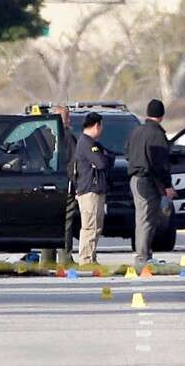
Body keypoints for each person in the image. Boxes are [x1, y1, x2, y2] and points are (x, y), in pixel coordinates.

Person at [126, 99, 177, 267]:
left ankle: (146, 254)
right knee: (146, 219)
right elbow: (160, 164)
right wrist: (167, 186)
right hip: (146, 181)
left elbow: (127, 152)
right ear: (162, 115)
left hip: (135, 178)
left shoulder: (136, 131)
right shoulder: (157, 134)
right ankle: (142, 258)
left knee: (145, 217)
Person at [74, 112, 115, 265]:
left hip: (96, 190)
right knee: (90, 227)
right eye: (101, 126)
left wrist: (104, 157)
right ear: (97, 126)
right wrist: (103, 158)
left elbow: (109, 157)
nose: (102, 129)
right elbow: (102, 163)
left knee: (97, 227)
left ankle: (92, 257)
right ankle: (85, 260)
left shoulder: (93, 144)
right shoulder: (86, 143)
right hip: (89, 190)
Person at [41, 106, 78, 267]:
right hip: (63, 186)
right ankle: (65, 259)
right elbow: (73, 163)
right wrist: (74, 185)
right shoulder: (68, 137)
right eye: (67, 117)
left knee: (48, 223)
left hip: (44, 186)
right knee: (65, 225)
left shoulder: (41, 135)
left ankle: (46, 260)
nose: (69, 120)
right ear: (65, 120)